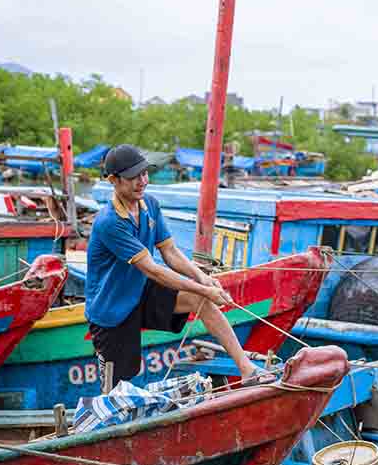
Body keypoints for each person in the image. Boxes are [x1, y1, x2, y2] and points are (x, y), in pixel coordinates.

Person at [84, 144, 275, 392]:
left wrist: (202, 280)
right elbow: (153, 270)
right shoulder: (109, 222)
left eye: (144, 173)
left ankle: (247, 370)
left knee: (200, 299)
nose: (142, 181)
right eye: (133, 177)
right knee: (117, 386)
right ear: (113, 180)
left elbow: (171, 253)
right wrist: (205, 289)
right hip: (111, 308)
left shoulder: (149, 204)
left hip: (139, 291)